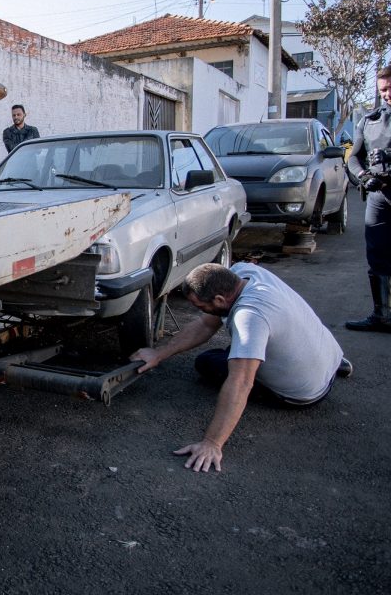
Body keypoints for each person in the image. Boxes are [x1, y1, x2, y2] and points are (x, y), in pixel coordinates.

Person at [130, 262, 350, 474]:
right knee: (242, 345)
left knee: (209, 361)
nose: (200, 311)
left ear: (219, 298)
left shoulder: (250, 317)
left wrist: (212, 443)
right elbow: (206, 324)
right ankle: (326, 362)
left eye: (201, 306)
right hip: (328, 361)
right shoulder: (245, 272)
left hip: (302, 394)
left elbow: (241, 382)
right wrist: (158, 354)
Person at [345, 64, 391, 332]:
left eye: (389, 89)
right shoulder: (369, 121)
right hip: (379, 195)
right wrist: (363, 177)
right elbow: (354, 159)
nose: (386, 94)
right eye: (382, 90)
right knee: (377, 255)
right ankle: (382, 315)